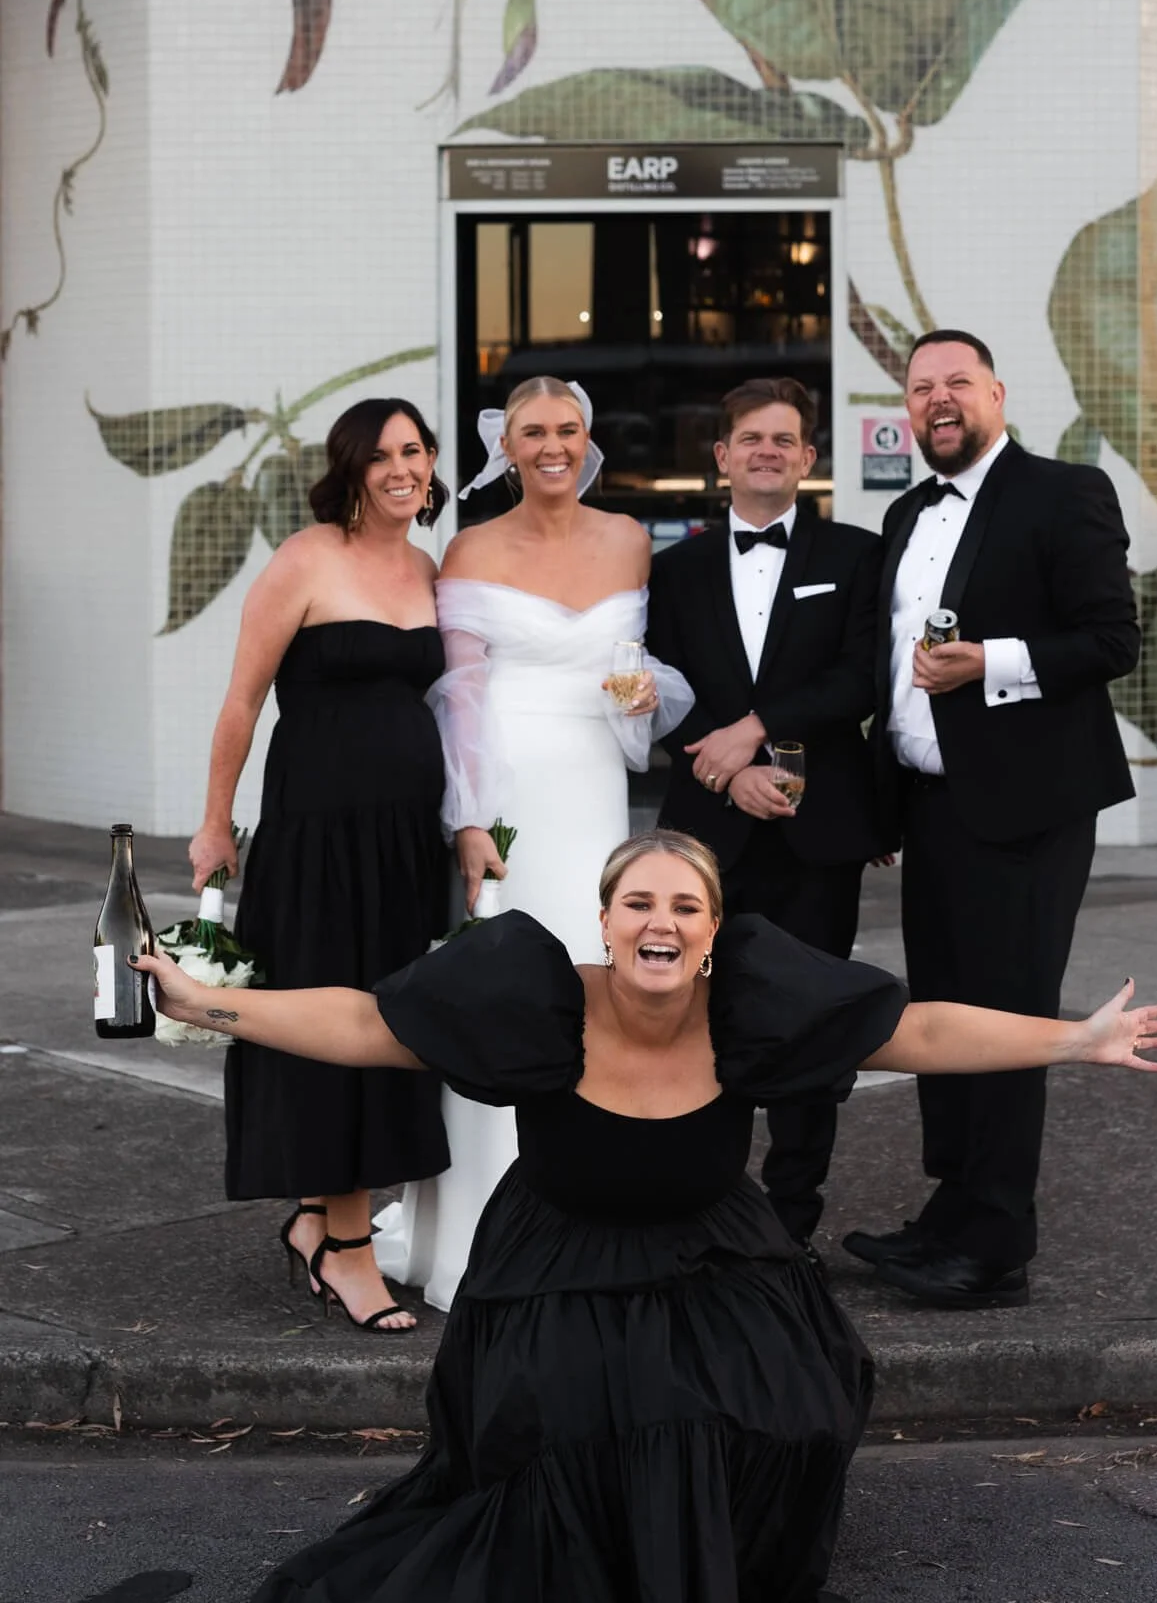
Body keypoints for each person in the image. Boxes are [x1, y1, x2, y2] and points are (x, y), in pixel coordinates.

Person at [137, 830, 1157, 1603]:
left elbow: (923, 1031)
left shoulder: (751, 1008)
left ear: (713, 929)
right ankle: (619, 1564)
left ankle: (708, 1545)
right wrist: (201, 1004)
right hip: (559, 1262)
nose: (659, 922)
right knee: (602, 1429)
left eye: (684, 905)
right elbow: (366, 1021)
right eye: (637, 902)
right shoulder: (537, 999)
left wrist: (1073, 1040)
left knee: (803, 1406)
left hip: (711, 1247)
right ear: (605, 920)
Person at [373, 376, 692, 1311]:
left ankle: (589, 1216)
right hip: (507, 789)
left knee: (596, 987)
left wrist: (640, 695)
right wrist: (470, 819)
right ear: (505, 449)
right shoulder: (471, 546)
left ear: (587, 440)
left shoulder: (629, 539)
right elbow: (460, 697)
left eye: (567, 429)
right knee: (503, 991)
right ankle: (482, 1230)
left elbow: (631, 675)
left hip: (594, 790)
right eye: (533, 432)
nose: (552, 445)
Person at [845, 329, 1141, 1310]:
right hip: (929, 806)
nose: (937, 398)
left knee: (1009, 1019)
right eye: (920, 386)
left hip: (1027, 810)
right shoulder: (902, 513)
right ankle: (951, 1207)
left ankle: (996, 1241)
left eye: (956, 382)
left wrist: (989, 662)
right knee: (942, 1014)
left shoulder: (1064, 493)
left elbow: (1111, 640)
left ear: (996, 394)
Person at [188, 397, 453, 1333]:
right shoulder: (306, 558)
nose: (401, 469)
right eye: (380, 456)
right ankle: (348, 1249)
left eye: (414, 451)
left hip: (404, 843)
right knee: (326, 1028)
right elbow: (240, 703)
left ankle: (316, 1220)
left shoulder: (427, 567)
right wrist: (214, 825)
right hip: (318, 841)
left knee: (389, 1028)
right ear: (350, 470)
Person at [647, 378, 880, 1267]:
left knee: (809, 1022)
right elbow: (659, 687)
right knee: (699, 1017)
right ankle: (703, 1202)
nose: (767, 451)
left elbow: (859, 677)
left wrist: (757, 729)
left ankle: (790, 1221)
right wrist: (731, 769)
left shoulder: (855, 555)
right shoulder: (674, 569)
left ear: (808, 458)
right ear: (722, 456)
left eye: (784, 439)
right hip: (707, 831)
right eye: (750, 438)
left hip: (817, 830)